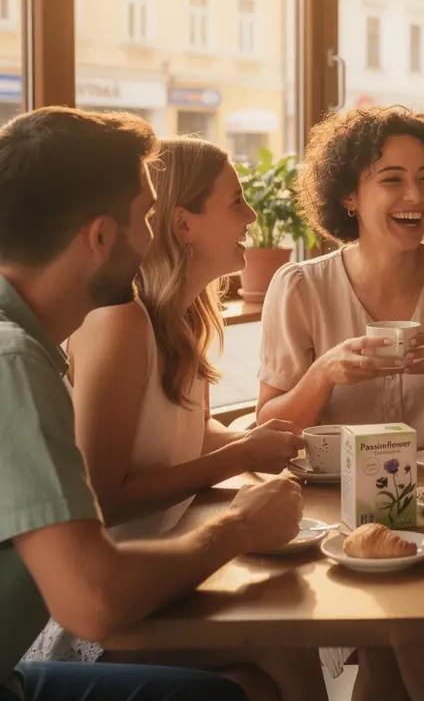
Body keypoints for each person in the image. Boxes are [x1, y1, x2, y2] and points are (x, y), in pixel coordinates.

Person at [0, 107, 303, 701]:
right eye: (145, 215)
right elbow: (93, 601)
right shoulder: (15, 361)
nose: (153, 232)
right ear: (101, 236)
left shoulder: (29, 344)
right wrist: (240, 526)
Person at [256, 105, 424, 701]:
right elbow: (266, 430)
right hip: (336, 509)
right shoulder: (299, 288)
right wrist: (323, 374)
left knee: (399, 624)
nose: (415, 195)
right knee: (401, 617)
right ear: (349, 196)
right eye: (392, 178)